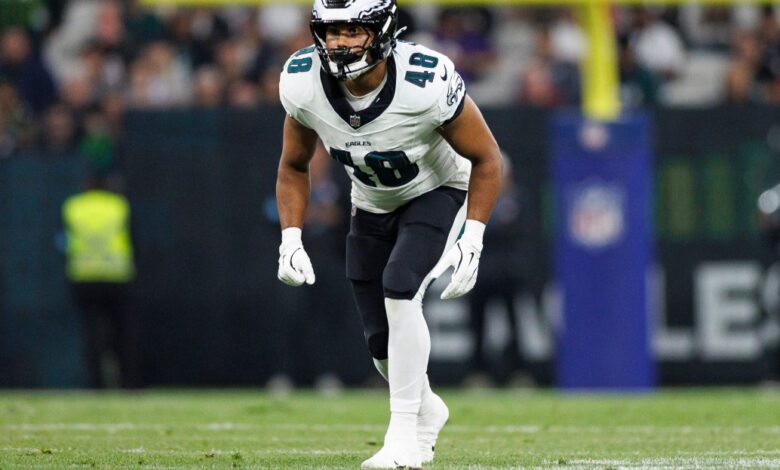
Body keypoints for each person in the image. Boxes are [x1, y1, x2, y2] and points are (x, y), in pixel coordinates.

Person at [274, 1, 502, 468]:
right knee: (380, 345)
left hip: (439, 189)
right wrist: (290, 237)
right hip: (372, 202)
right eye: (331, 31)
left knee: (400, 287)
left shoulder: (423, 81)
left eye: (352, 30)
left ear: (382, 31)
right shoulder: (302, 82)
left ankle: (401, 438)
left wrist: (473, 236)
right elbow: (293, 165)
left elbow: (487, 158)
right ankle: (428, 408)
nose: (338, 42)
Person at [62, 175, 140, 388]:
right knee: (123, 333)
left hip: (84, 276)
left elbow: (62, 241)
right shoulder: (118, 206)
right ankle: (128, 383)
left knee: (92, 334)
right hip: (117, 276)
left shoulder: (74, 207)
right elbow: (133, 239)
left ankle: (96, 385)